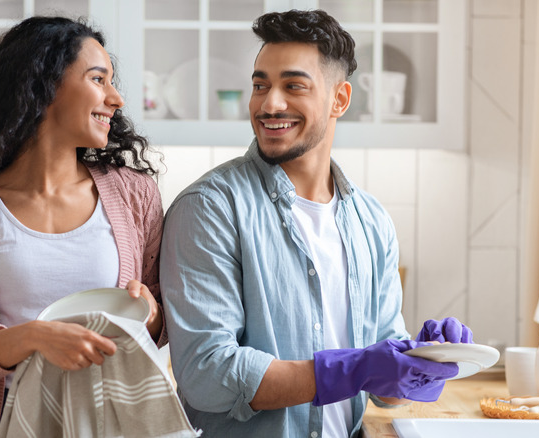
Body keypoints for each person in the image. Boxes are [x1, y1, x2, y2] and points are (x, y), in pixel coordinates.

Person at [160, 9, 473, 437]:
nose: (269, 103)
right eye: (260, 85)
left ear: (339, 99)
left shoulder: (371, 221)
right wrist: (352, 369)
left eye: (293, 86)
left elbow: (387, 391)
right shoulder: (211, 209)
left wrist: (424, 359)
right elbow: (207, 376)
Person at [0, 16, 165, 438]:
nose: (116, 98)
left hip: (110, 421)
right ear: (42, 86)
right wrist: (33, 338)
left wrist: (152, 315)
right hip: (5, 423)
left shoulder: (135, 195)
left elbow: (161, 321)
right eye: (99, 79)